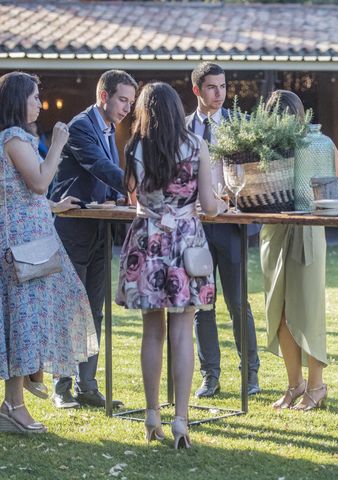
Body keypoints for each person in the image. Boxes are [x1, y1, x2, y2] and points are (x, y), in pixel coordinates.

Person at [115, 82, 226, 448]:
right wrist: (221, 206)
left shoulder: (134, 147)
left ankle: (150, 415)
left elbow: (132, 195)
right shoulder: (197, 146)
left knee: (151, 331)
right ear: (179, 111)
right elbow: (209, 205)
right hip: (184, 242)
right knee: (182, 330)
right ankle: (180, 420)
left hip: (147, 239)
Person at [0, 72, 98, 433]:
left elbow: (19, 194)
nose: (39, 103)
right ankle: (15, 404)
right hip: (23, 248)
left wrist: (54, 207)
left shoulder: (18, 138)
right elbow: (39, 182)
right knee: (26, 319)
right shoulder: (13, 137)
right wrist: (57, 142)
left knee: (33, 316)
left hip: (31, 241)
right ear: (17, 100)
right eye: (34, 96)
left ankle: (30, 380)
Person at [49, 69, 137, 409]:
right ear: (104, 96)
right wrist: (136, 186)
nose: (127, 107)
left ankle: (87, 385)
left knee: (95, 311)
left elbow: (102, 179)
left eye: (131, 101)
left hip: (100, 230)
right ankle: (61, 387)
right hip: (72, 230)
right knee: (70, 309)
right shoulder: (81, 125)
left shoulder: (109, 126)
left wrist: (118, 199)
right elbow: (99, 166)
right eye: (122, 100)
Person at [261, 90, 338, 410]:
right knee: (279, 312)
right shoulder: (265, 148)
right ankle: (294, 386)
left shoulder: (318, 144)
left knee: (308, 310)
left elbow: (335, 182)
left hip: (308, 228)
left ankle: (317, 386)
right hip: (274, 229)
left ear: (299, 116)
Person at [187, 62, 261, 398]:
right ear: (197, 91)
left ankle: (250, 373)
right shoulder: (184, 129)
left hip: (231, 225)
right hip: (196, 228)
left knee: (237, 302)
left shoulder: (240, 126)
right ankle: (210, 375)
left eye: (223, 86)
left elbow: (257, 174)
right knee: (203, 303)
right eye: (213, 88)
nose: (220, 94)